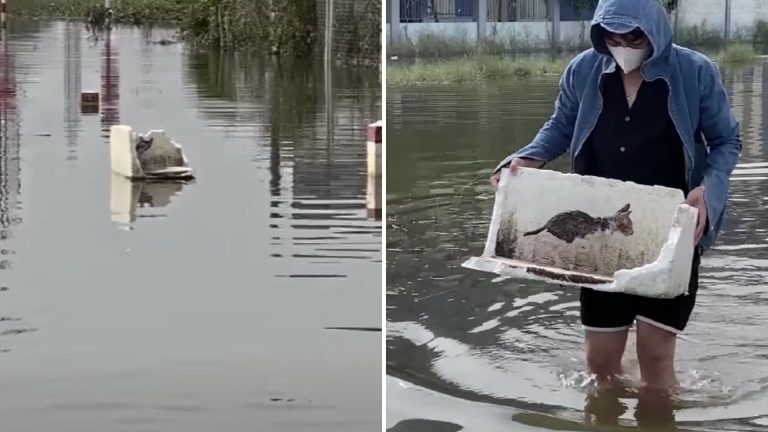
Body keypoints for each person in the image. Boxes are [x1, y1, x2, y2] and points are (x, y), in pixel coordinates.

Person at [490, 0, 741, 390]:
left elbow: (726, 140)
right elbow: (560, 126)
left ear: (656, 31)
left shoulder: (695, 71)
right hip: (600, 229)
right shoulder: (584, 70)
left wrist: (707, 192)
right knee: (600, 364)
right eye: (613, 35)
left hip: (671, 228)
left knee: (656, 359)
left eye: (634, 35)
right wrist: (525, 159)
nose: (623, 43)